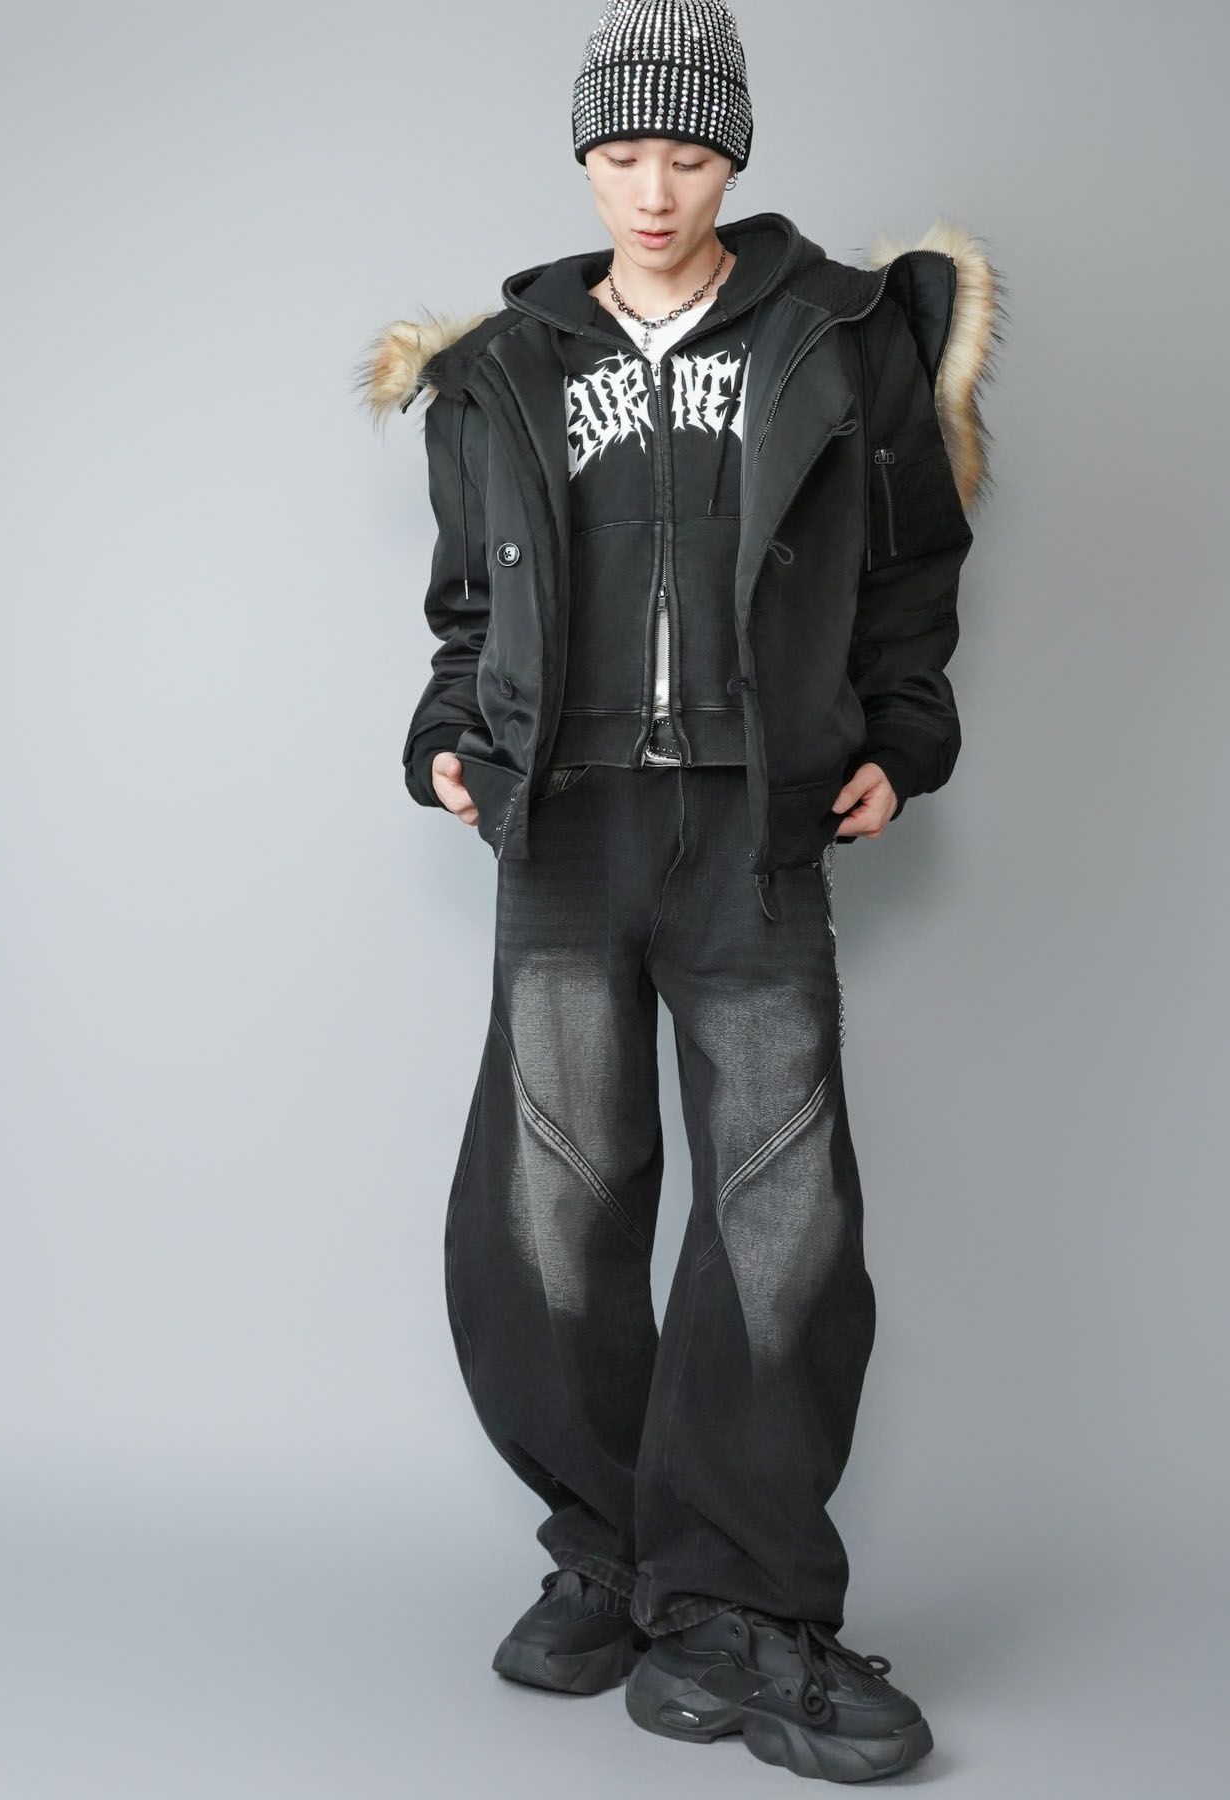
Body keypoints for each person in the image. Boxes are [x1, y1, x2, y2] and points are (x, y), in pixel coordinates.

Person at [359, 0, 1001, 1781]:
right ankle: (620, 1548)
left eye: (692, 155)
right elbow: (467, 606)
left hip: (751, 824)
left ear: (736, 158)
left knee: (781, 1220)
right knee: (547, 1215)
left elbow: (912, 569)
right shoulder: (503, 367)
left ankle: (741, 1604)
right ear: (585, 156)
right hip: (564, 831)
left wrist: (904, 734)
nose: (655, 191)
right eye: (624, 154)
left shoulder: (837, 335)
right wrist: (446, 733)